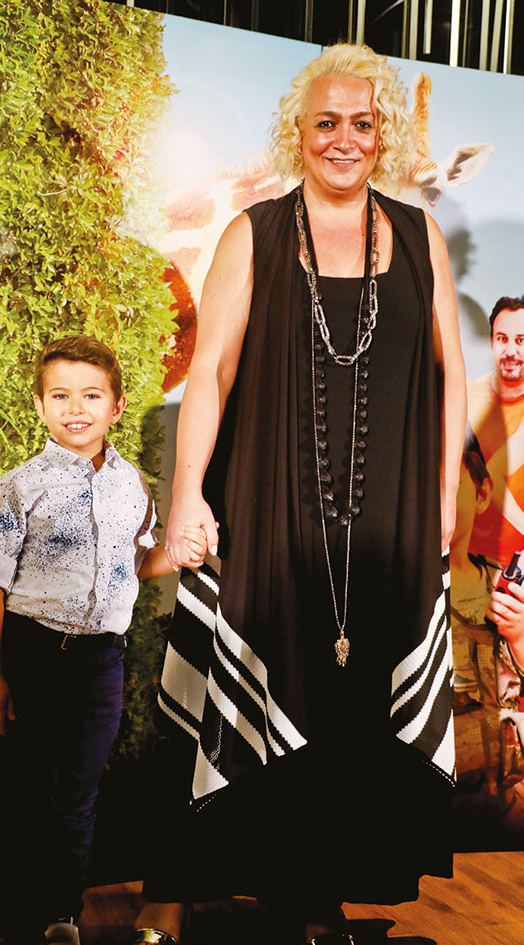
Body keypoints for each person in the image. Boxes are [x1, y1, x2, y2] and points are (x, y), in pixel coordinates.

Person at [135, 43, 466, 945]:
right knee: (224, 683)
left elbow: (450, 376)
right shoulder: (253, 234)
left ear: (383, 134)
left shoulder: (419, 236)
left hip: (386, 520)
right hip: (267, 506)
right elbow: (210, 371)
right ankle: (167, 895)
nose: (343, 139)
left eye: (362, 123)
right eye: (326, 122)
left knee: (347, 718)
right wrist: (188, 494)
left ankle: (315, 902)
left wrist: (444, 496)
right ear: (299, 131)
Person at [0, 335, 207, 945]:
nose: (77, 408)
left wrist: (178, 554)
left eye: (91, 396)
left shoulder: (132, 486)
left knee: (78, 794)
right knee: (26, 795)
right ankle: (18, 923)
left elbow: (136, 564)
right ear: (40, 405)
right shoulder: (21, 487)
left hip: (101, 663)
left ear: (116, 406)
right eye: (61, 395)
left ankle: (61, 914)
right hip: (32, 655)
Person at [450, 427, 524, 831]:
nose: (438, 501)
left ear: (481, 493)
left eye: (451, 484)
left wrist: (519, 635)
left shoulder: (503, 585)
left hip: (503, 806)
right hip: (431, 805)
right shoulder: (400, 589)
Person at [468, 295, 524, 568]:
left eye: (521, 340)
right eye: (502, 339)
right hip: (469, 569)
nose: (511, 351)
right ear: (491, 342)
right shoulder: (465, 399)